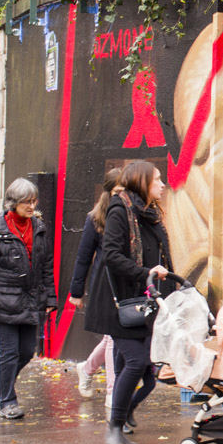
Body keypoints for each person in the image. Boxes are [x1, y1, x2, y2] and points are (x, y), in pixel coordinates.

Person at [85, 160, 172, 444]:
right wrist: (145, 272)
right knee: (136, 361)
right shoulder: (120, 210)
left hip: (141, 302)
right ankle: (114, 427)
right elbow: (110, 255)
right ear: (143, 183)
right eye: (157, 180)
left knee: (147, 371)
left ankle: (123, 416)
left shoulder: (149, 215)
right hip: (117, 302)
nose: (162, 184)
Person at [0, 178, 57, 420]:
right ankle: (7, 401)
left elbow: (46, 266)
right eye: (26, 202)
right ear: (13, 203)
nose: (31, 205)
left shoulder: (38, 227)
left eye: (33, 201)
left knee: (27, 351)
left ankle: (2, 379)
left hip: (29, 301)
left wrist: (50, 297)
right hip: (2, 301)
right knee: (8, 352)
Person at [67, 169, 121, 406]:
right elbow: (83, 256)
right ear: (108, 192)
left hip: (124, 285)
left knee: (113, 337)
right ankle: (112, 391)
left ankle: (87, 369)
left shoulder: (131, 215)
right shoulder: (96, 218)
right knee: (112, 338)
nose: (122, 196)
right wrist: (76, 292)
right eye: (118, 192)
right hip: (104, 286)